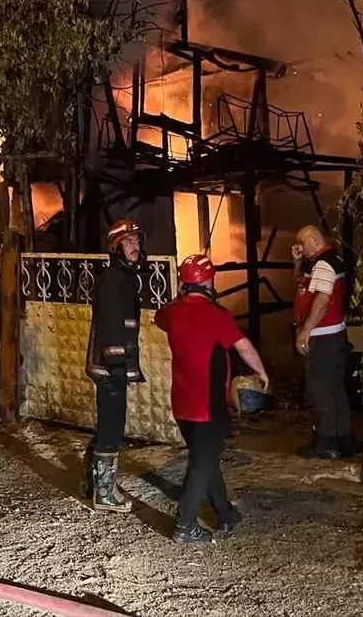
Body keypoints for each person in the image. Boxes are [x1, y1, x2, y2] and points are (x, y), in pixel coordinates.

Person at [155, 253, 269, 543]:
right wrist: (261, 372)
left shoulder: (172, 313)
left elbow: (160, 315)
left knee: (206, 458)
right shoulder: (217, 315)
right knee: (201, 464)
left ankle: (225, 513)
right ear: (209, 281)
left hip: (181, 403)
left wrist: (180, 296)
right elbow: (243, 346)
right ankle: (185, 525)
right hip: (207, 404)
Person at [82, 218, 147, 512]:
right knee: (111, 427)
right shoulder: (113, 279)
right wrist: (117, 363)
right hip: (110, 368)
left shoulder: (124, 277)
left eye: (136, 241)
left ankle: (93, 483)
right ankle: (104, 494)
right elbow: (110, 324)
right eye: (129, 242)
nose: (135, 246)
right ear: (116, 247)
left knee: (108, 425)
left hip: (113, 366)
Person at [292, 225, 356, 459]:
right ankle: (344, 440)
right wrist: (298, 262)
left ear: (315, 241)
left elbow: (322, 299)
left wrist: (305, 331)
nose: (299, 247)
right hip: (332, 334)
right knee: (335, 389)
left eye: (302, 242)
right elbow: (303, 287)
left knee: (320, 390)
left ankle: (326, 443)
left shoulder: (324, 264)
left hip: (323, 336)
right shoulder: (324, 260)